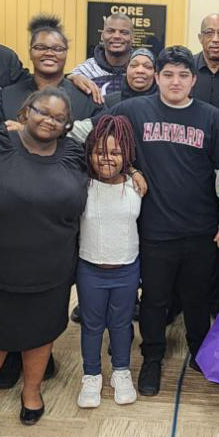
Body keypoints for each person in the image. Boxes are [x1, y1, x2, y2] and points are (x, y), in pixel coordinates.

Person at [109, 45, 219, 397]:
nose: (175, 81)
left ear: (194, 80)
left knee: (196, 298)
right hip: (153, 229)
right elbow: (95, 136)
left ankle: (200, 350)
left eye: (183, 75)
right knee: (153, 299)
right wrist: (132, 169)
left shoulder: (210, 117)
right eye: (168, 74)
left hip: (199, 229)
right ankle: (152, 357)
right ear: (156, 77)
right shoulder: (133, 111)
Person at [0, 87, 88, 434]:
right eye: (42, 112)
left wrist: (135, 173)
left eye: (59, 118)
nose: (49, 120)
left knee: (42, 332)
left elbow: (113, 162)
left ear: (67, 125)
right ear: (25, 112)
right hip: (0, 263)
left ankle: (31, 392)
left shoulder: (75, 154)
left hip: (54, 264)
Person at [76, 115, 143, 409]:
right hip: (90, 269)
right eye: (100, 152)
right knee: (91, 326)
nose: (107, 159)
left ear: (126, 155)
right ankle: (91, 376)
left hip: (127, 269)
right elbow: (73, 133)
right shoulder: (83, 185)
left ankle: (121, 372)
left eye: (116, 153)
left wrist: (132, 168)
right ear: (89, 153)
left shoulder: (135, 185)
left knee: (121, 324)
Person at [0, 14, 103, 126]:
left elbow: (103, 133)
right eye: (41, 47)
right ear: (30, 52)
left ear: (66, 53)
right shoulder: (6, 97)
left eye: (57, 49)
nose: (49, 53)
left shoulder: (87, 97)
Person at [71, 13, 134, 96]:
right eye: (110, 31)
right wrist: (70, 78)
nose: (116, 36)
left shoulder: (144, 70)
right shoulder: (84, 72)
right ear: (102, 36)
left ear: (133, 38)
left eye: (124, 32)